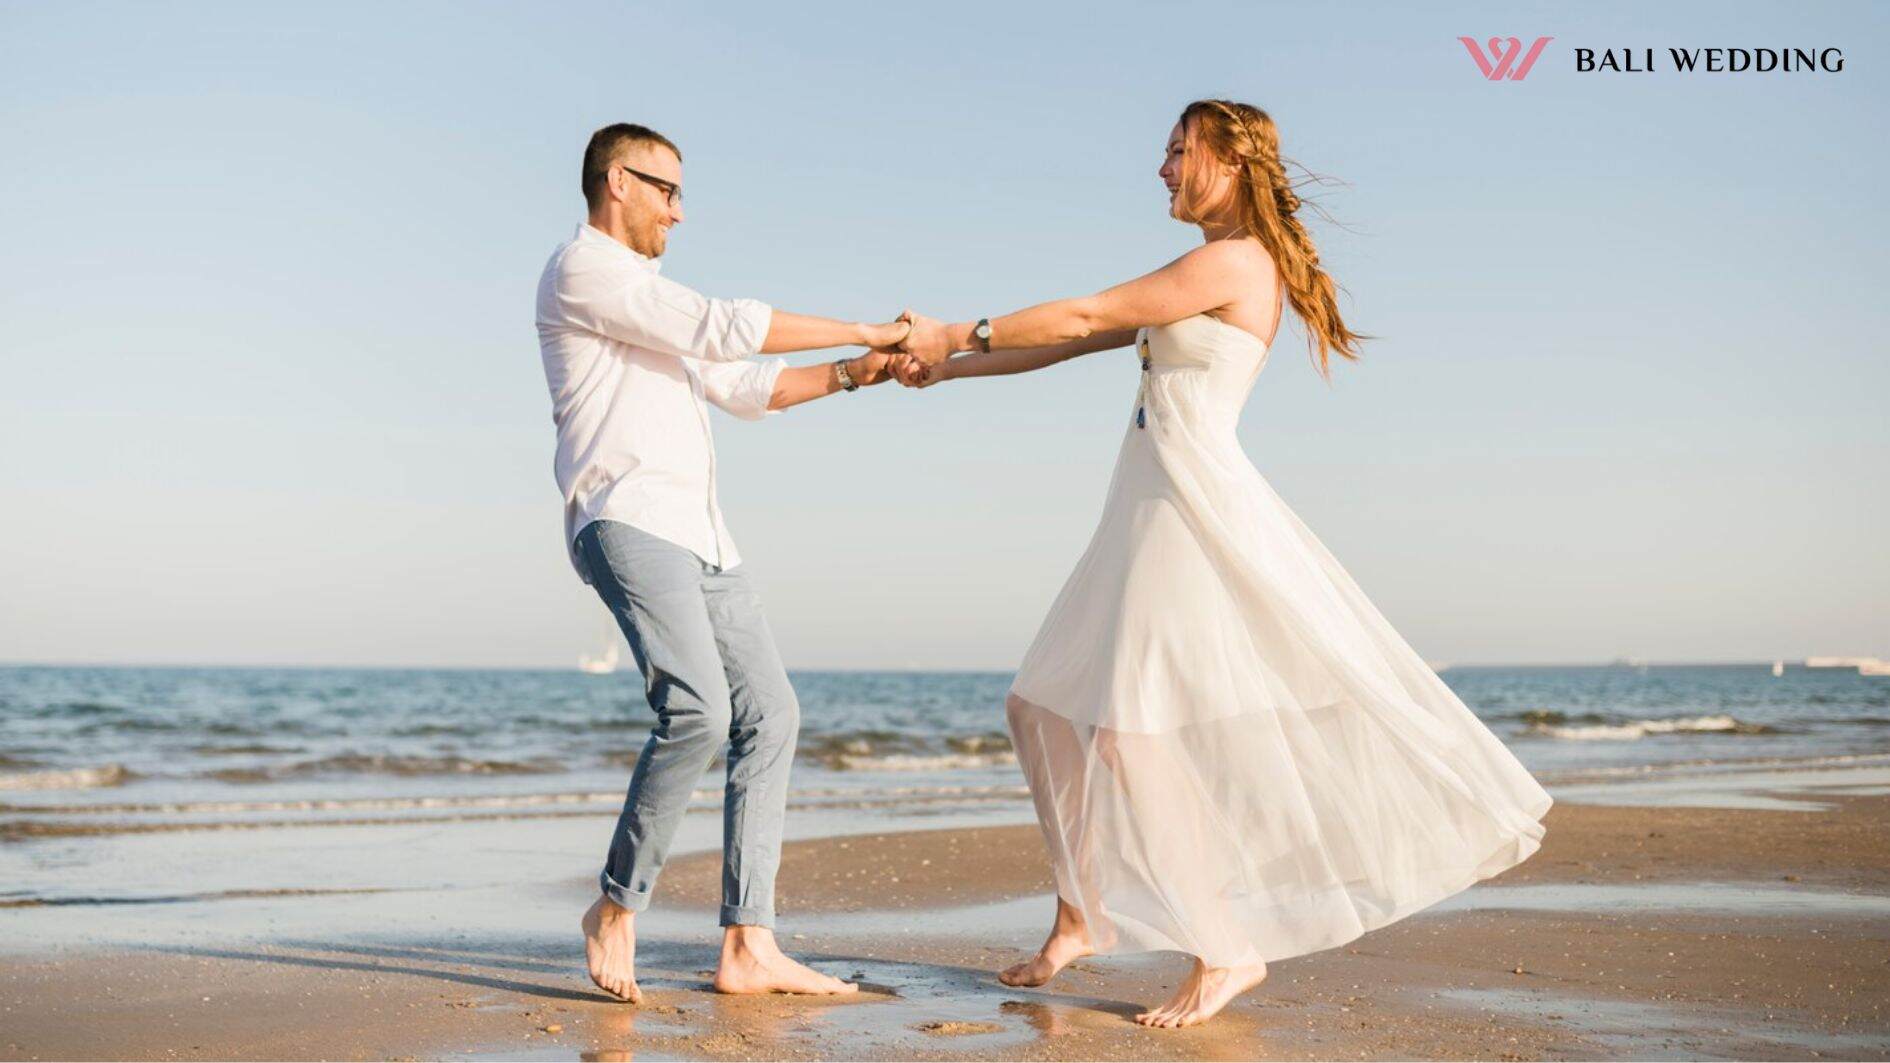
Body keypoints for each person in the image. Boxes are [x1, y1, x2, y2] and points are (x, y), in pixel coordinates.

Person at [892, 99, 1552, 1028]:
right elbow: (1078, 337)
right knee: (1040, 706)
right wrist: (947, 364)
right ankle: (1082, 912)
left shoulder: (1233, 262)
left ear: (1228, 162)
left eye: (1175, 152)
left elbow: (1086, 306)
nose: (1160, 169)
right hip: (1142, 510)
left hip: (1190, 512)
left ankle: (1226, 949)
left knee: (1127, 732)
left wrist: (959, 325)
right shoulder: (1207, 267)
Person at [535, 122, 909, 1003]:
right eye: (667, 189)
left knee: (770, 712)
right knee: (697, 708)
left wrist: (863, 369)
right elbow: (722, 325)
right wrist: (866, 320)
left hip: (703, 534)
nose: (679, 209)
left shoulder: (648, 297)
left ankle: (748, 943)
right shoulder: (583, 271)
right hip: (625, 516)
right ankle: (616, 906)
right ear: (617, 182)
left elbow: (746, 385)